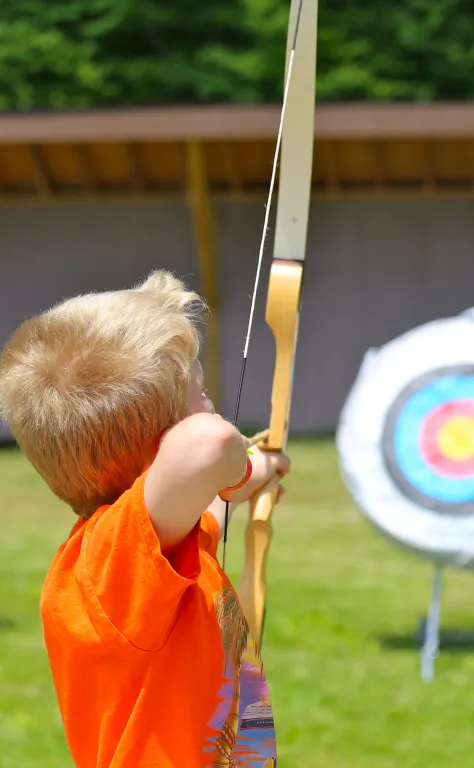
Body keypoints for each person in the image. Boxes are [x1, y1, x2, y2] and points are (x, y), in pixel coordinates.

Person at [0, 271, 289, 768]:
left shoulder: (157, 551)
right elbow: (209, 446)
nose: (212, 409)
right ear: (163, 442)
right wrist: (235, 467)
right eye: (199, 396)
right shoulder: (104, 569)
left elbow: (208, 499)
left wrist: (253, 475)